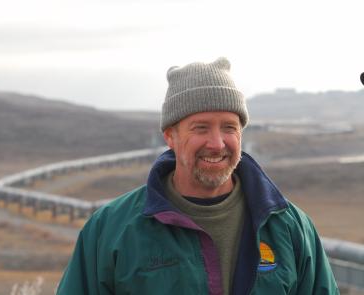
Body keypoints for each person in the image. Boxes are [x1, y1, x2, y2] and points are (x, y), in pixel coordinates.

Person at [57, 57, 339, 295]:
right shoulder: (111, 230)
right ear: (170, 135)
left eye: (229, 127)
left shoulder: (290, 227)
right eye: (200, 128)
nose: (216, 143)